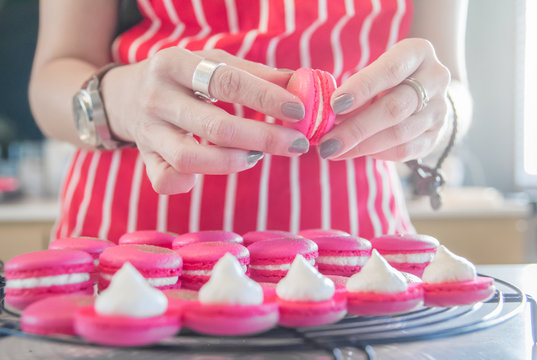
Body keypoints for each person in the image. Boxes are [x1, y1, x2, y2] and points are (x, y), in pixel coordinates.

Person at [29, 0, 471, 243]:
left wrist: (437, 113)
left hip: (355, 255)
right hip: (135, 244)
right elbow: (49, 82)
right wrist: (123, 97)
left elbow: (454, 87)